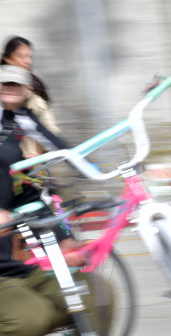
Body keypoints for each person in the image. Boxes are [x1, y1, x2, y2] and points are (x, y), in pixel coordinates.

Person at [0, 65, 106, 336]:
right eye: (4, 84)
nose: (9, 89)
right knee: (30, 318)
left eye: (16, 84)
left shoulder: (11, 134)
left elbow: (28, 193)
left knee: (97, 295)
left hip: (17, 265)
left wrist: (63, 236)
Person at [2, 36, 60, 158]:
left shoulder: (35, 91)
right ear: (7, 59)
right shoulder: (5, 92)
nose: (28, 61)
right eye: (21, 57)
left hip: (32, 160)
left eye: (29, 57)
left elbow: (50, 130)